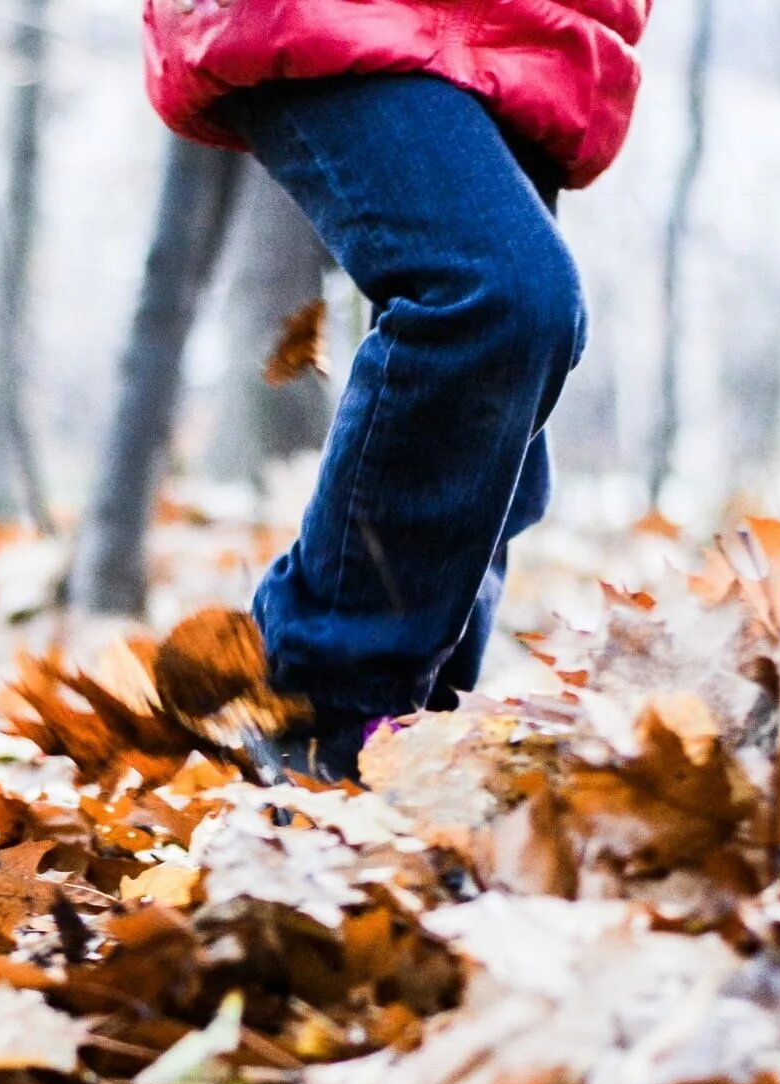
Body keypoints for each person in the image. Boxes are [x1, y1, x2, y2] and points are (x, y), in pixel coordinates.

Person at [143, 0, 649, 778]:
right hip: (338, 13)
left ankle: (402, 758)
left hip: (535, 30)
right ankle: (312, 710)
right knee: (497, 296)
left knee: (512, 372)